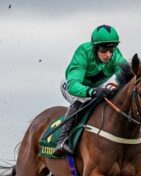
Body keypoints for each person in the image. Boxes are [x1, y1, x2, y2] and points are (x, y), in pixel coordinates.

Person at [54, 24, 128, 157]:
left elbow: (127, 78)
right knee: (82, 99)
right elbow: (73, 85)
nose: (108, 55)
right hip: (72, 84)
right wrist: (92, 92)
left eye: (111, 49)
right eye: (103, 49)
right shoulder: (83, 52)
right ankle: (62, 140)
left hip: (96, 87)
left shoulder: (116, 56)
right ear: (95, 47)